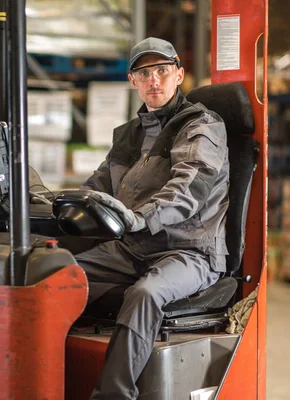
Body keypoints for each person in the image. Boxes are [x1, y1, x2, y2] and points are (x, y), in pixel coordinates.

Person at [75, 37, 230, 399]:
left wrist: (141, 218)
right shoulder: (129, 136)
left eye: (162, 70)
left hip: (191, 251)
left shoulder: (201, 125)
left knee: (146, 293)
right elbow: (96, 187)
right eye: (145, 73)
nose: (154, 81)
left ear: (179, 74)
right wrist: (54, 207)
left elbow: (189, 186)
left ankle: (113, 395)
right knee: (57, 273)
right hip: (133, 247)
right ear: (133, 81)